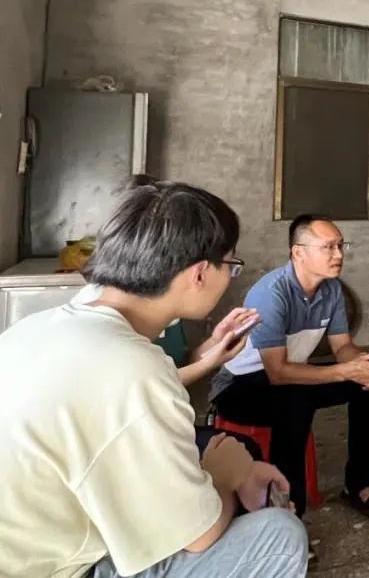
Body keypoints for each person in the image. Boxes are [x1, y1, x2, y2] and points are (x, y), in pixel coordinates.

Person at [0, 180, 307, 578]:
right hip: (57, 567)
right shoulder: (132, 367)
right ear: (200, 274)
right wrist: (227, 475)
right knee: (279, 536)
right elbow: (199, 536)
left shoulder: (36, 327)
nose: (231, 276)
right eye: (231, 265)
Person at [210, 214, 369, 519]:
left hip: (291, 376)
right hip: (239, 387)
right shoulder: (271, 293)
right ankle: (288, 513)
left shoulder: (331, 290)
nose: (338, 255)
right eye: (328, 247)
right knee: (294, 400)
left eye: (340, 246)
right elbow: (277, 372)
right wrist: (343, 371)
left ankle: (358, 483)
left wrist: (359, 365)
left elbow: (342, 347)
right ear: (299, 252)